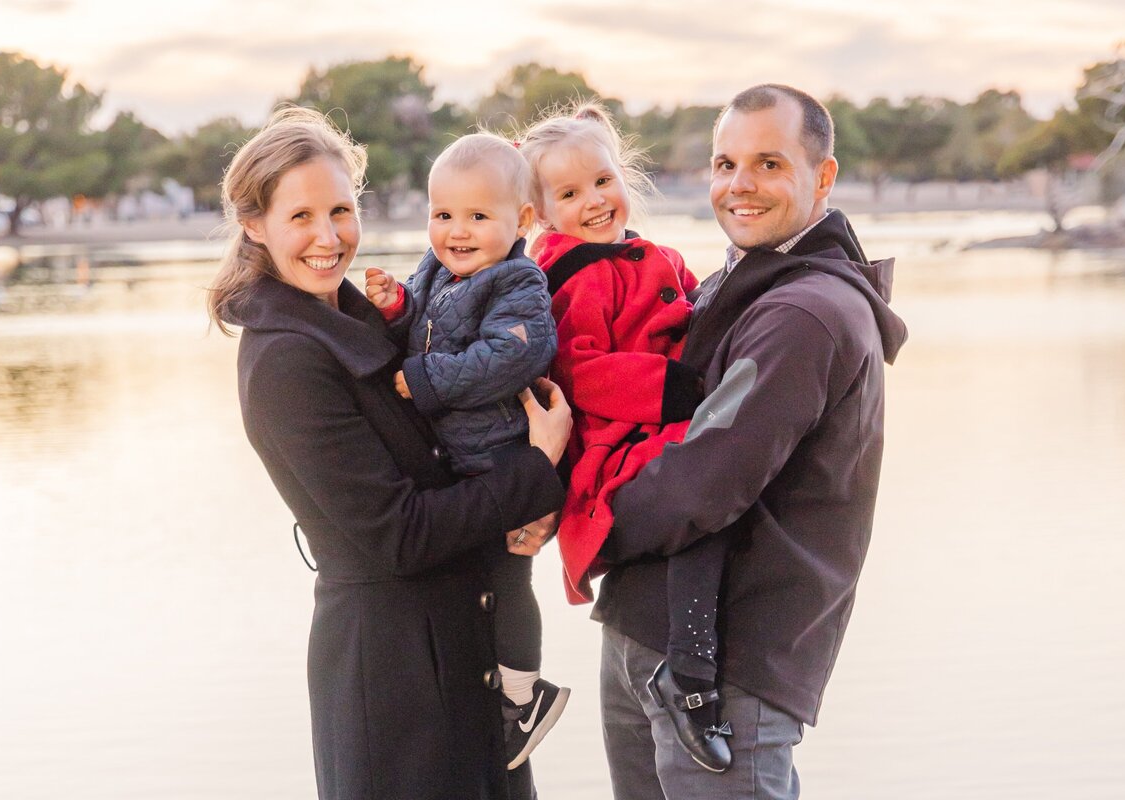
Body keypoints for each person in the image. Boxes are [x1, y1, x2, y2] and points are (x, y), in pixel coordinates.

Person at [206, 105, 571, 800]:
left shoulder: (368, 314)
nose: (328, 236)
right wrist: (533, 469)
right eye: (302, 216)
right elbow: (399, 536)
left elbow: (453, 452)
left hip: (464, 655)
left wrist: (525, 503)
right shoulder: (286, 361)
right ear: (255, 225)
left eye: (341, 210)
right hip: (396, 681)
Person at [592, 85, 909, 799]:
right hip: (649, 634)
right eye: (725, 163)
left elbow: (701, 480)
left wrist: (580, 521)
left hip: (726, 671)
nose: (740, 185)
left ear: (822, 177)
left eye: (769, 163)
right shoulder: (740, 284)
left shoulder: (807, 313)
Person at [518, 103, 735, 771]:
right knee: (702, 492)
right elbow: (574, 369)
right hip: (613, 441)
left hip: (658, 417)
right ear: (540, 211)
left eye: (603, 181)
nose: (593, 201)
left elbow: (698, 309)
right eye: (569, 193)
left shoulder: (653, 254)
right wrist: (671, 386)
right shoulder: (565, 275)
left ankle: (701, 652)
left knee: (730, 473)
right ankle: (690, 671)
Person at [363, 132, 570, 770]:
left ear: (522, 222)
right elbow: (424, 324)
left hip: (500, 456)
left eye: (478, 216)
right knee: (477, 580)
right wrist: (397, 306)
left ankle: (525, 692)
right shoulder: (437, 271)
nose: (457, 230)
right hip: (460, 460)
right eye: (443, 214)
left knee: (509, 575)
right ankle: (490, 686)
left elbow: (513, 355)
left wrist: (425, 381)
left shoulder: (517, 283)